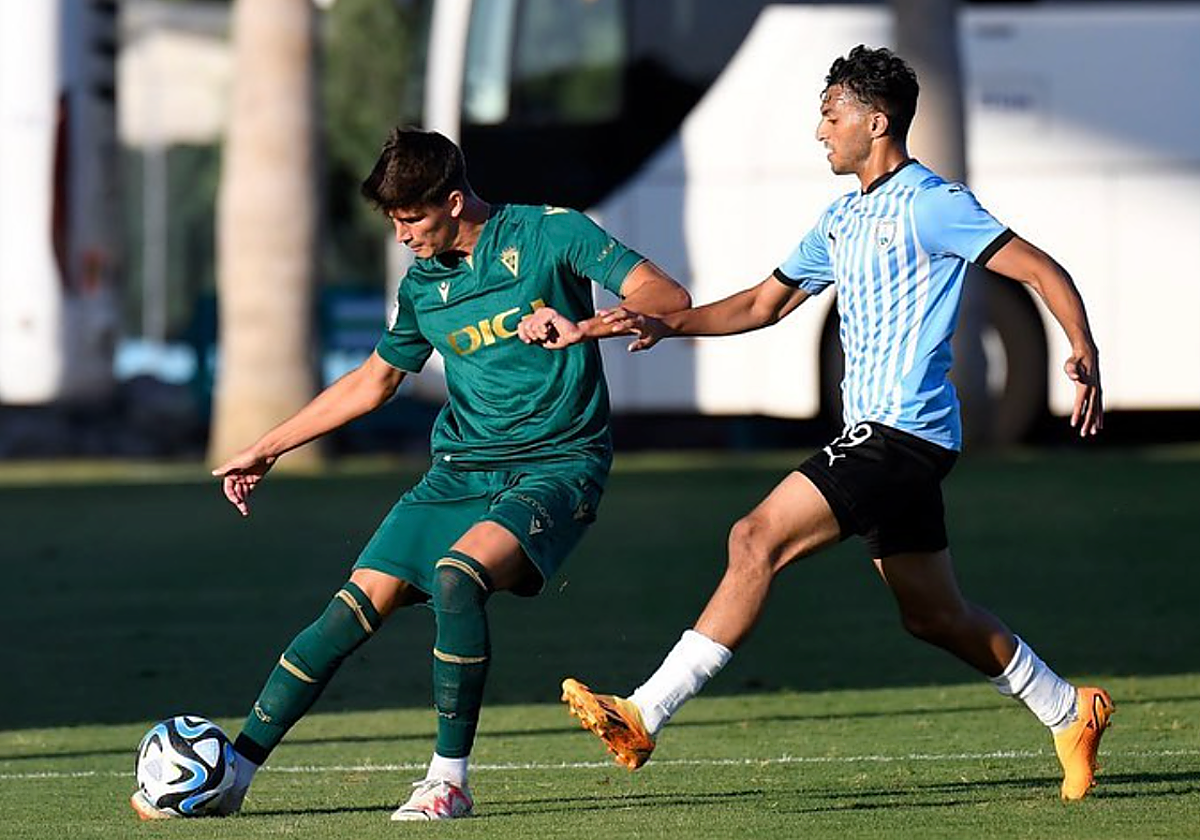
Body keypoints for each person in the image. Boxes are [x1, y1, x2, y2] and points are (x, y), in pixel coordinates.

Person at [530, 45, 1112, 802]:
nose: (819, 132)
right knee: (932, 614)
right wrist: (662, 325)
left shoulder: (932, 202)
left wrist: (1083, 347)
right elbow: (761, 305)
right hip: (892, 441)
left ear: (877, 122)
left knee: (754, 537)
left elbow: (1040, 269)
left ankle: (644, 711)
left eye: (831, 115)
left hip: (901, 433)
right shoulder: (839, 218)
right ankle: (1070, 710)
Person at [129, 126, 689, 822]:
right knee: (349, 609)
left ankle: (447, 783)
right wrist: (267, 448)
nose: (402, 236)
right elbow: (372, 382)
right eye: (392, 222)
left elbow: (668, 297)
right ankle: (236, 773)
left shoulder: (553, 234)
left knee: (459, 575)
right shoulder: (425, 285)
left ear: (454, 200)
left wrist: (586, 327)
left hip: (557, 466)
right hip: (457, 473)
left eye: (412, 218)